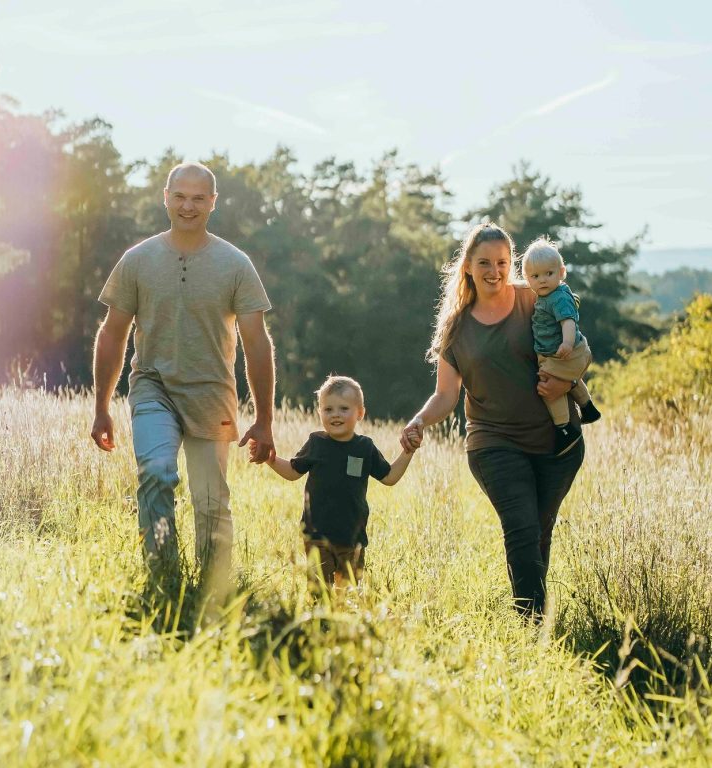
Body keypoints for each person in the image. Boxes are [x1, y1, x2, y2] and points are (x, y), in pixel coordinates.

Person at [91, 162, 275, 604]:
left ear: (213, 202)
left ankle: (214, 592)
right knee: (156, 472)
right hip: (153, 386)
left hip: (212, 393)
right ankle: (163, 578)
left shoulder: (235, 264)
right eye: (180, 196)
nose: (188, 206)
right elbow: (113, 333)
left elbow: (256, 342)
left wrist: (265, 419)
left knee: (210, 501)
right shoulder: (137, 261)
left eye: (198, 198)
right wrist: (102, 406)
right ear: (166, 197)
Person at [401, 223, 584, 619]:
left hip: (556, 441)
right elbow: (446, 394)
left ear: (512, 263)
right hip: (493, 442)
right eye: (484, 262)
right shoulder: (457, 327)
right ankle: (531, 627)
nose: (494, 271)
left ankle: (536, 622)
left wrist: (562, 384)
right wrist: (419, 420)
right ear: (467, 266)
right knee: (521, 528)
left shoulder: (535, 300)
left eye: (502, 262)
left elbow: (577, 349)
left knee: (539, 532)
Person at [264, 375, 416, 589]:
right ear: (320, 413)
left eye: (344, 409)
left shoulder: (365, 447)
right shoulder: (316, 443)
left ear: (360, 413)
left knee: (347, 594)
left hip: (352, 537)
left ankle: (341, 621)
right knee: (319, 591)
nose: (335, 414)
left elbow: (389, 477)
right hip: (317, 535)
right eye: (328, 409)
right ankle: (319, 621)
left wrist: (408, 452)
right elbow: (292, 471)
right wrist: (269, 459)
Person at [521, 238, 601, 456]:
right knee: (571, 380)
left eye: (549, 274)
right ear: (527, 279)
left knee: (549, 389)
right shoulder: (547, 295)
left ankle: (564, 430)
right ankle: (588, 408)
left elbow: (568, 321)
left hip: (567, 352)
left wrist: (566, 342)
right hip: (565, 354)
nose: (543, 280)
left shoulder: (558, 298)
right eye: (535, 276)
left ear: (562, 272)